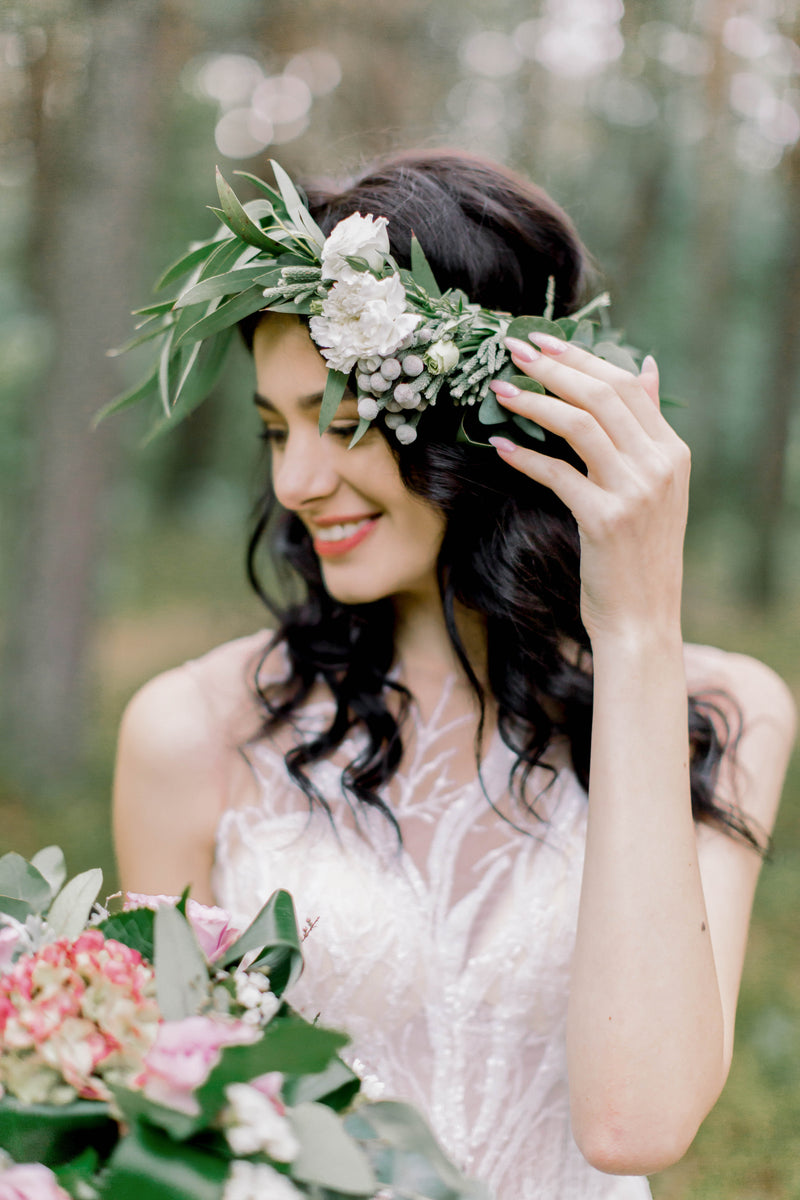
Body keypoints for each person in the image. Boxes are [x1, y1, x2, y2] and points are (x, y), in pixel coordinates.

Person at [112, 151, 795, 1199]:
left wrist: (638, 629)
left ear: (497, 415)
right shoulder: (192, 730)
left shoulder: (721, 710)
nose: (295, 482)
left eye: (341, 423)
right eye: (273, 429)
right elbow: (167, 1143)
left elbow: (635, 1121)